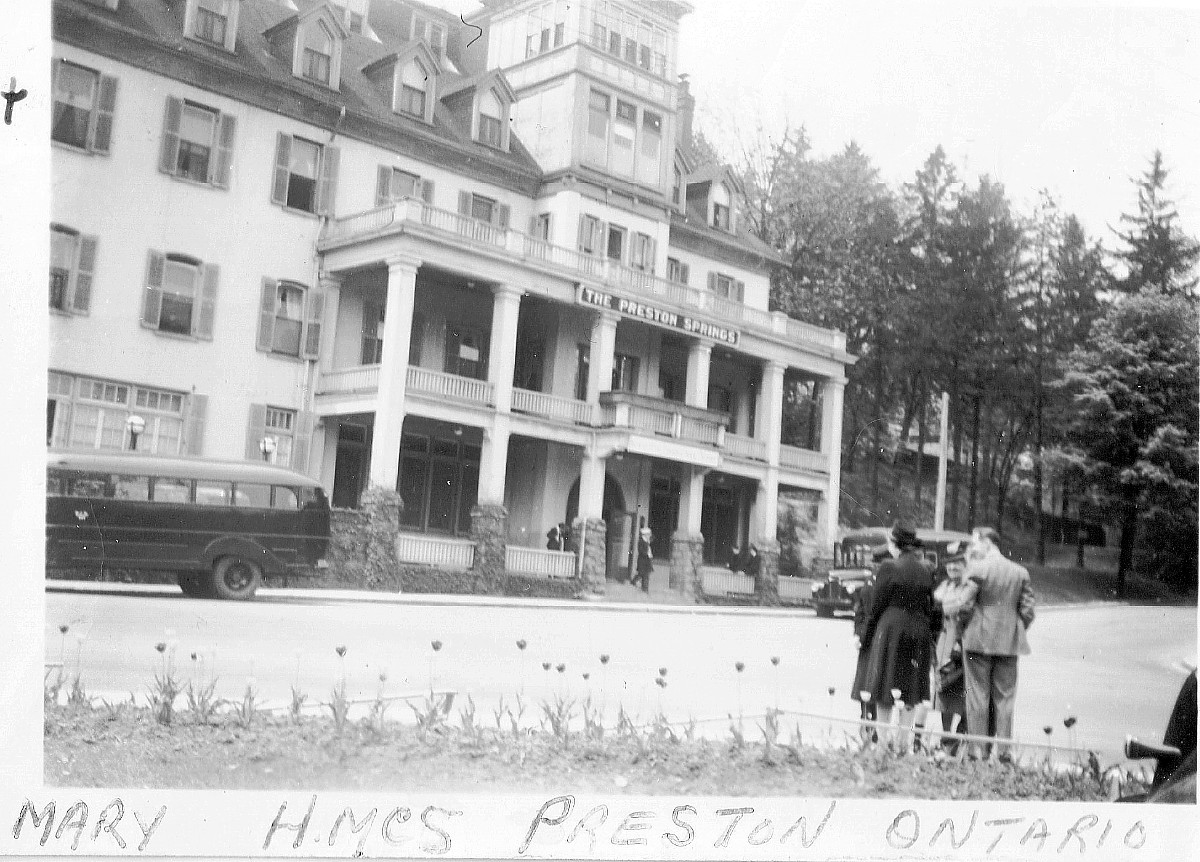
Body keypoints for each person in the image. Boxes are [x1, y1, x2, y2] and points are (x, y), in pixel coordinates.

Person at [959, 526, 1036, 761]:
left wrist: (966, 629)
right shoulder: (1020, 572)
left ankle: (977, 751)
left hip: (977, 640)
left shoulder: (978, 569)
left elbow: (964, 605)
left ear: (987, 543)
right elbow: (1028, 611)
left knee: (977, 696)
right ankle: (1003, 752)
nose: (973, 548)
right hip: (1009, 643)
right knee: (1005, 698)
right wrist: (1012, 627)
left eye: (975, 544)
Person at [860, 522, 936, 732]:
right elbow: (931, 606)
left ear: (895, 543)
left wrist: (866, 637)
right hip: (918, 629)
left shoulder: (888, 567)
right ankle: (903, 742)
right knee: (911, 688)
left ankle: (884, 741)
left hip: (892, 629)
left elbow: (876, 607)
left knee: (885, 687)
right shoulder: (925, 569)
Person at [932, 540, 973, 754]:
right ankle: (947, 736)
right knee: (944, 692)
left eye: (957, 563)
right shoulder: (946, 585)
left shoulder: (970, 585)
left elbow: (956, 606)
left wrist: (942, 605)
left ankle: (963, 733)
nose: (952, 568)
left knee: (965, 692)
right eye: (949, 564)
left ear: (966, 563)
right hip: (944, 645)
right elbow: (936, 603)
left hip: (964, 645)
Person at [632, 526, 654, 593]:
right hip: (643, 560)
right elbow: (641, 550)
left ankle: (644, 588)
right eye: (648, 534)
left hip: (647, 560)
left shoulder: (647, 541)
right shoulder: (641, 541)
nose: (649, 535)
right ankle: (643, 587)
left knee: (646, 574)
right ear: (645, 534)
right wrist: (646, 554)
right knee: (643, 574)